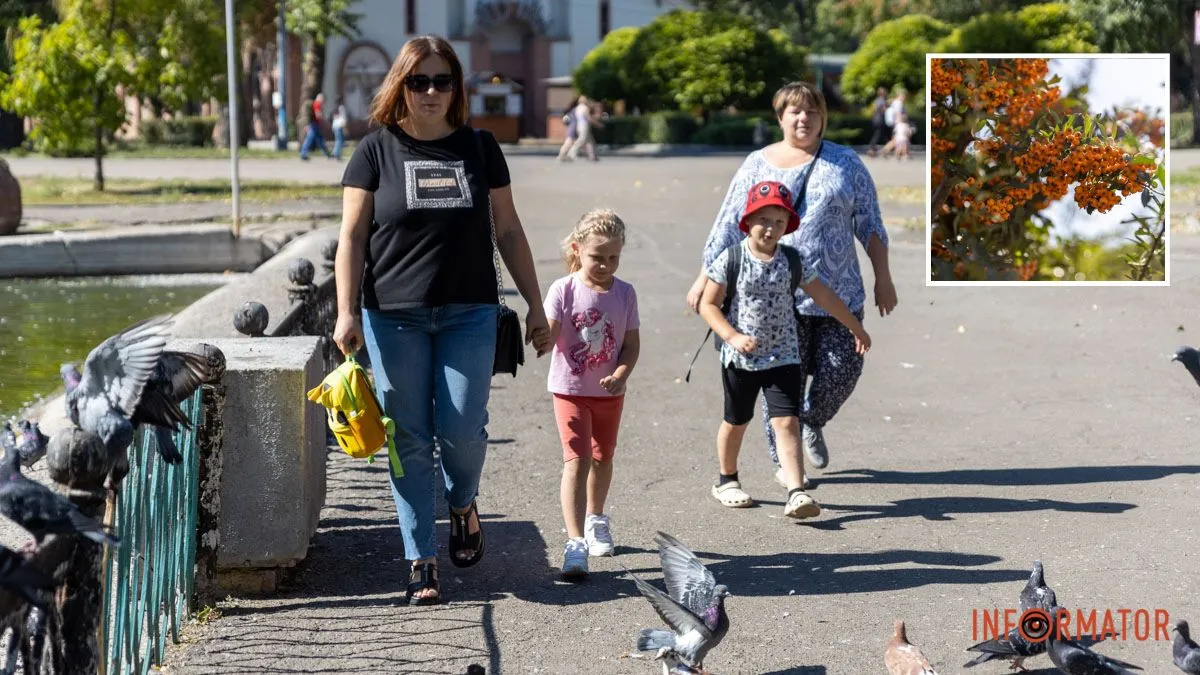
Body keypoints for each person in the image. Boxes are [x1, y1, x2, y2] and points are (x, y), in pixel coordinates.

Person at [332, 35, 553, 606]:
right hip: (393, 317)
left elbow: (508, 229)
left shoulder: (480, 149)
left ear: (457, 88)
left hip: (469, 311)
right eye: (418, 81)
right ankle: (419, 560)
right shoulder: (375, 149)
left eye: (442, 81)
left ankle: (461, 502)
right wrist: (345, 310)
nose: (431, 92)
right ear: (400, 86)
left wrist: (535, 302)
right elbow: (352, 237)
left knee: (461, 427)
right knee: (408, 436)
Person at [685, 81, 898, 490]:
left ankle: (811, 421)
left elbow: (870, 224)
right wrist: (703, 279)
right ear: (780, 117)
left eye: (812, 111)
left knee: (842, 371)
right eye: (794, 111)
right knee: (780, 384)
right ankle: (787, 466)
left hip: (836, 291)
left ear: (824, 117)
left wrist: (883, 277)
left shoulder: (845, 163)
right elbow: (729, 225)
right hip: (768, 301)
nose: (804, 119)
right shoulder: (756, 164)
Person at [699, 181, 870, 517]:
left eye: (779, 222)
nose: (771, 228)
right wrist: (732, 336)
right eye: (763, 219)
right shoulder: (731, 259)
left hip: (784, 355)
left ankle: (796, 491)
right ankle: (727, 480)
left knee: (787, 422)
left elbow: (823, 296)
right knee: (736, 421)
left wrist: (854, 325)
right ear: (747, 221)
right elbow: (708, 304)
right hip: (741, 359)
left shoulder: (793, 259)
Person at [543, 208, 640, 579]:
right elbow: (548, 333)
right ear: (577, 249)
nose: (605, 265)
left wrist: (620, 373)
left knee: (602, 458)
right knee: (577, 460)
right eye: (597, 257)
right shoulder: (563, 289)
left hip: (610, 394)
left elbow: (631, 345)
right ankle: (575, 542)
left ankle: (597, 519)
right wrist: (537, 334)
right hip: (570, 391)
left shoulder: (625, 294)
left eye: (613, 258)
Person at [300, 93, 334, 160]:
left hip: (314, 124)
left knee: (320, 140)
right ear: (320, 98)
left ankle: (327, 153)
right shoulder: (317, 103)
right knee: (310, 139)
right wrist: (325, 122)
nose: (323, 101)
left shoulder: (315, 103)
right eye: (323, 99)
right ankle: (303, 153)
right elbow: (318, 114)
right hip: (314, 125)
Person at [867, 86, 889, 157]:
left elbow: (874, 110)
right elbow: (884, 109)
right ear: (883, 93)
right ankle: (872, 148)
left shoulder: (876, 100)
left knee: (884, 134)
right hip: (880, 120)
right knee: (878, 134)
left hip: (875, 119)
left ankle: (885, 149)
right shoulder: (882, 100)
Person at [556, 97, 579, 162]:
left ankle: (569, 156)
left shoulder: (571, 110)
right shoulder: (575, 110)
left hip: (571, 127)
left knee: (572, 142)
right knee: (568, 142)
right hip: (573, 128)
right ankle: (561, 155)